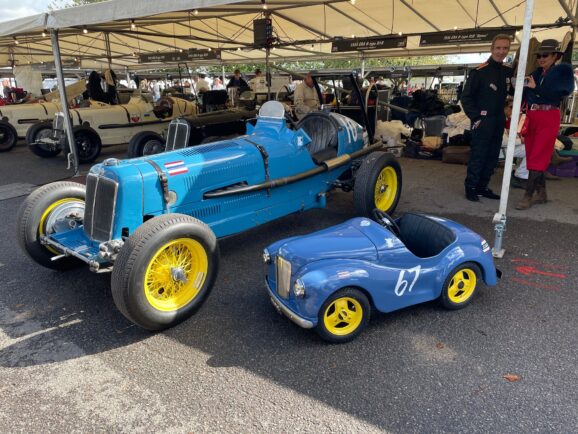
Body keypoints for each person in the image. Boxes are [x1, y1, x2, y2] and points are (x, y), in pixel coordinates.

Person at [515, 39, 574, 210]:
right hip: (532, 116)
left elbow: (560, 94)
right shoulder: (537, 73)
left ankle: (528, 195)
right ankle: (542, 193)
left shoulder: (562, 71)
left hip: (548, 116)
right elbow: (527, 93)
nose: (541, 58)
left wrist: (535, 89)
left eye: (545, 55)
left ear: (555, 56)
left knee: (536, 156)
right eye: (539, 55)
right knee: (533, 154)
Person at [460, 34, 513, 202]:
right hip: (483, 120)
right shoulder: (479, 72)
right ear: (491, 49)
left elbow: (513, 92)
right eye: (498, 48)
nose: (501, 51)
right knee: (479, 154)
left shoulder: (508, 71)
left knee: (492, 155)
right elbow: (466, 97)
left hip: (498, 120)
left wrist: (509, 107)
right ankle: (471, 187)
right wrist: (476, 117)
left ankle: (482, 187)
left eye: (505, 48)